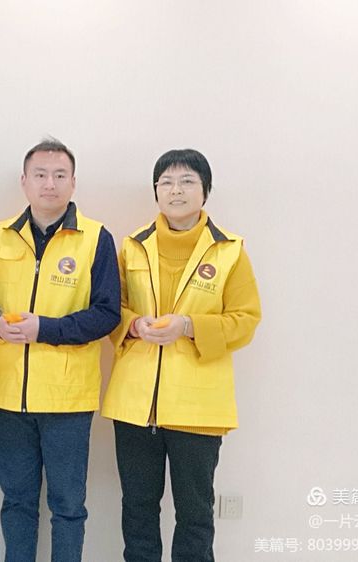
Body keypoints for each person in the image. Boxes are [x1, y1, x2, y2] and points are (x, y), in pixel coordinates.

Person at [102, 149, 262, 562]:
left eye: (187, 181)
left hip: (198, 407)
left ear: (205, 191)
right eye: (167, 182)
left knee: (195, 513)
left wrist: (189, 326)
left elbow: (245, 320)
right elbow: (111, 309)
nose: (176, 190)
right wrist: (134, 325)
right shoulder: (133, 246)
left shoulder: (229, 250)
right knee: (137, 508)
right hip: (135, 405)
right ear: (155, 191)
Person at [0, 138, 121, 562]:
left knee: (68, 507)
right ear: (24, 181)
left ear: (74, 183)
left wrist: (45, 329)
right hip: (11, 397)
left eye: (60, 175)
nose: (49, 184)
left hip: (67, 400)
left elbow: (107, 314)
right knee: (16, 503)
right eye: (40, 175)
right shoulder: (1, 235)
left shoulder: (96, 238)